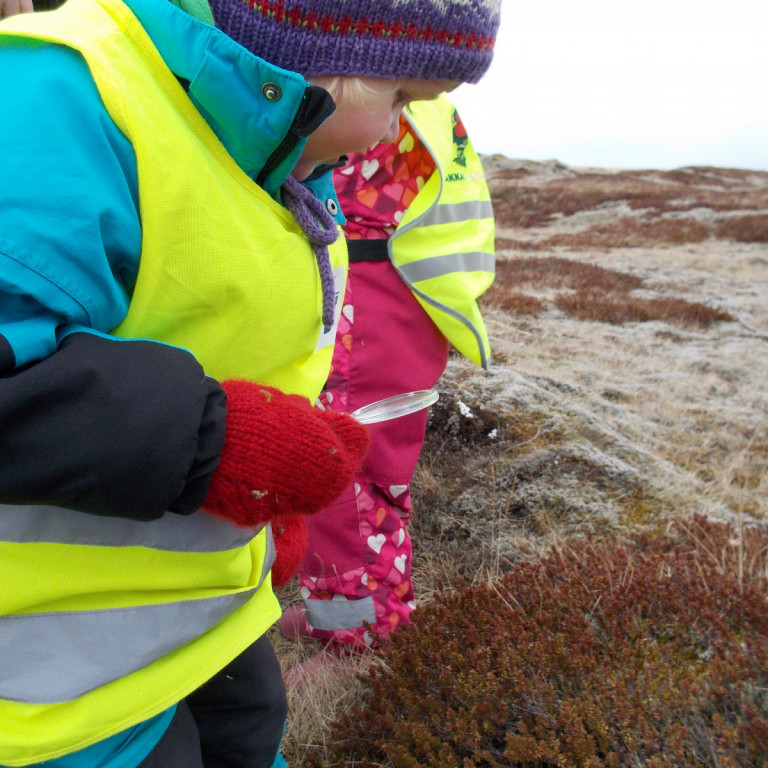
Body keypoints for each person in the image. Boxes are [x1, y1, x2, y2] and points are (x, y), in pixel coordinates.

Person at [0, 0, 501, 765]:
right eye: (400, 98)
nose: (394, 137)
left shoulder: (276, 151)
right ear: (315, 36)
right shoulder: (63, 97)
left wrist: (257, 520)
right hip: (51, 695)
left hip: (203, 628)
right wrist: (218, 443)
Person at [279, 100, 496, 652]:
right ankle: (343, 608)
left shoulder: (358, 72)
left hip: (367, 286)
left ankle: (362, 633)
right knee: (358, 468)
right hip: (384, 286)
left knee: (345, 470)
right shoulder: (404, 83)